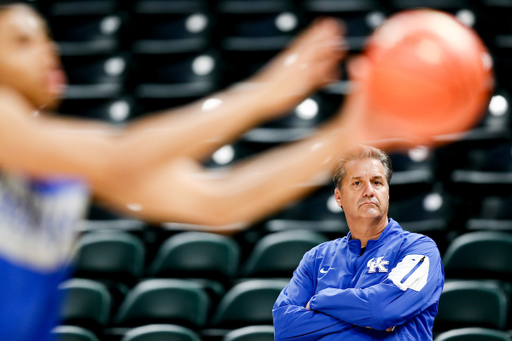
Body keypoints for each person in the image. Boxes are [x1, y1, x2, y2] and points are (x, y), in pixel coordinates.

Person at [273, 145, 445, 341]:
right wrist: (361, 317)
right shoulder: (316, 258)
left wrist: (321, 300)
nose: (369, 191)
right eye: (357, 183)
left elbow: (384, 310)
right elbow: (285, 328)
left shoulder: (419, 250)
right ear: (339, 197)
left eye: (377, 182)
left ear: (387, 193)